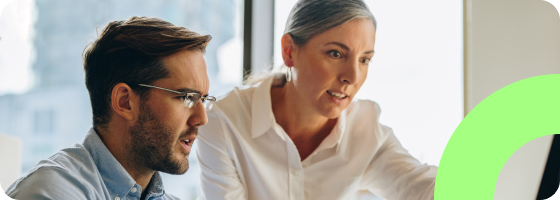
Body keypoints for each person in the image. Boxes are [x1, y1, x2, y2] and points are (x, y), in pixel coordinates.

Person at [196, 0, 436, 199]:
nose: (352, 77)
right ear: (289, 51)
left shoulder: (366, 130)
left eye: (365, 60)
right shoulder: (224, 122)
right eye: (335, 53)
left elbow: (423, 187)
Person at [6, 16, 215, 200]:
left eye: (203, 99)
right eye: (187, 97)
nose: (202, 118)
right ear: (125, 102)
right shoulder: (52, 192)